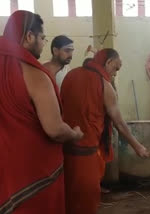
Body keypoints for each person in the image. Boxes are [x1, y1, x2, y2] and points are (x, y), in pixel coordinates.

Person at [0, 10, 83, 214]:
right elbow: (54, 129)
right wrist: (74, 134)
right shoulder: (34, 72)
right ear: (29, 36)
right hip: (32, 176)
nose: (43, 43)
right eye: (42, 38)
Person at [61, 48, 150, 214]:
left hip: (65, 150)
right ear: (108, 62)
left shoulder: (70, 75)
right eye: (116, 68)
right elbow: (119, 122)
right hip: (87, 153)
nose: (115, 73)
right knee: (87, 199)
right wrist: (138, 146)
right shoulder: (104, 85)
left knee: (69, 196)